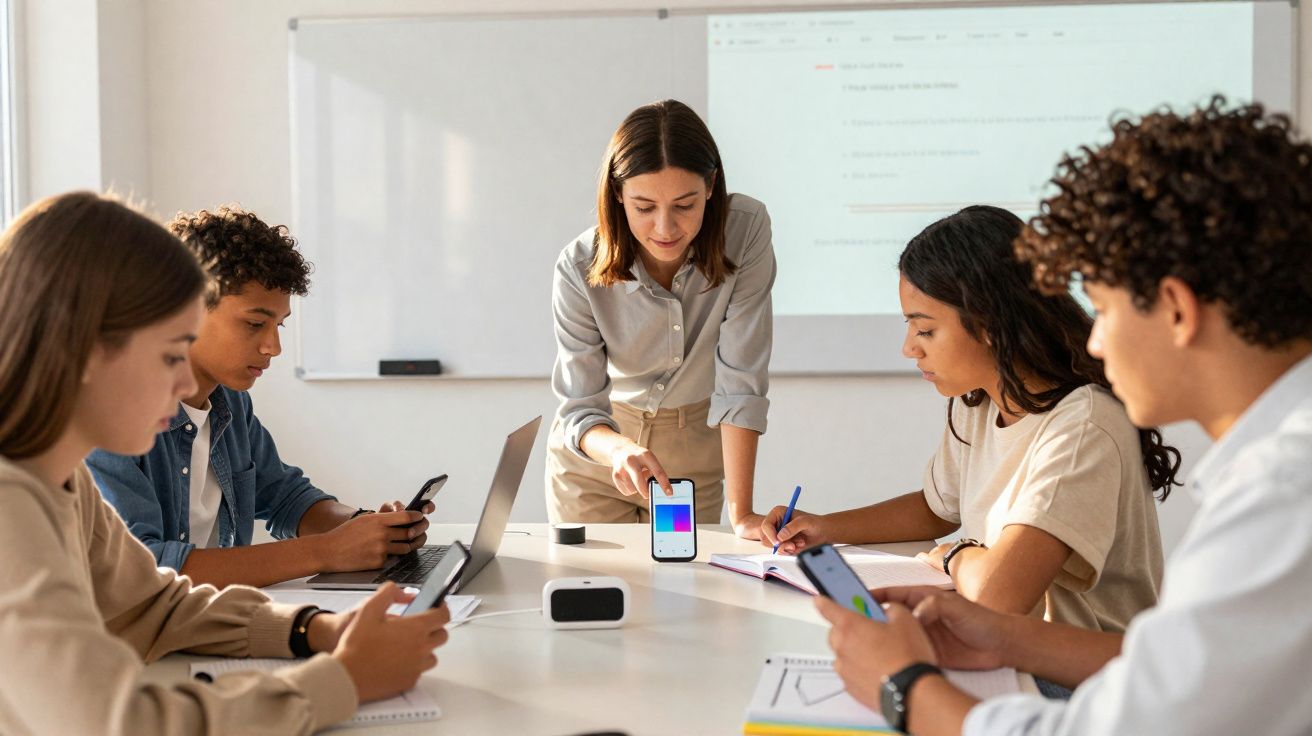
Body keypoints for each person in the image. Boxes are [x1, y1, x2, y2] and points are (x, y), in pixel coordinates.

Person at [817, 98, 1312, 735]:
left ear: (1176, 309)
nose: (1097, 343)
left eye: (1103, 309)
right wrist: (1001, 637)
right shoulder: (1278, 473)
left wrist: (905, 690)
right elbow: (1176, 668)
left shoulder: (1281, 496)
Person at [0, 192, 451, 734]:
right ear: (87, 348)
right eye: (171, 355)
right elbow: (120, 724)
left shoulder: (59, 476)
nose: (187, 383)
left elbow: (155, 604)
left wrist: (315, 630)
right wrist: (344, 681)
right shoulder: (10, 500)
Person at [761, 206, 1178, 634]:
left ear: (990, 325)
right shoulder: (979, 403)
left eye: (925, 330)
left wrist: (951, 554)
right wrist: (825, 527)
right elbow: (936, 507)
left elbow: (1000, 594)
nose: (909, 348)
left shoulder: (1082, 426)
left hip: (1077, 679)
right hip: (1007, 645)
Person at [87, 205, 433, 589]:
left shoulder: (229, 403)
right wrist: (327, 551)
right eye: (254, 324)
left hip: (198, 620)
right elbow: (145, 568)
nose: (273, 347)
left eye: (278, 325)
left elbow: (286, 497)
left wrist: (367, 527)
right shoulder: (106, 415)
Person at [547, 99, 776, 538]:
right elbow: (580, 406)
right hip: (597, 461)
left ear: (711, 186)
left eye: (685, 205)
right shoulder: (577, 267)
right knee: (595, 597)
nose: (665, 228)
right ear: (618, 193)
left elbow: (741, 376)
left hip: (689, 463)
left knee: (683, 594)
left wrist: (742, 513)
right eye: (644, 207)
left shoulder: (745, 230)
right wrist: (617, 450)